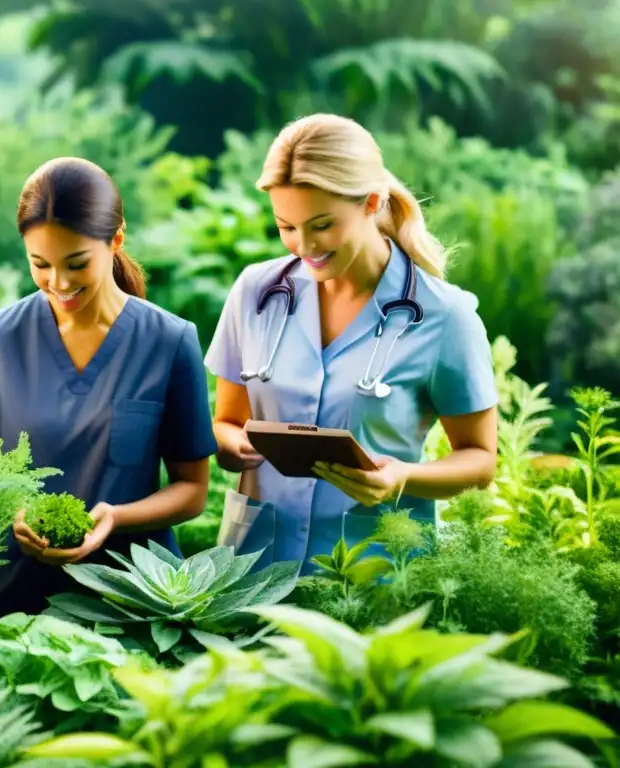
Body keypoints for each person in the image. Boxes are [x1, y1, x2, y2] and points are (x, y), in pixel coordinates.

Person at [205, 113, 498, 572]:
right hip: (252, 569)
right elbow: (227, 420)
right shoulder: (255, 293)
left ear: (372, 202)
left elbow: (480, 462)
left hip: (374, 579)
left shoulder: (445, 316)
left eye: (322, 225)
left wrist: (402, 478)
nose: (303, 246)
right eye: (286, 227)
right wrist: (229, 444)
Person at [0, 156, 217, 619]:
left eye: (76, 263)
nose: (59, 283)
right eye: (40, 264)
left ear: (116, 240)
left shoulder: (170, 341)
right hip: (6, 602)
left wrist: (113, 517)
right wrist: (11, 516)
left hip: (127, 598)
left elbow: (191, 491)